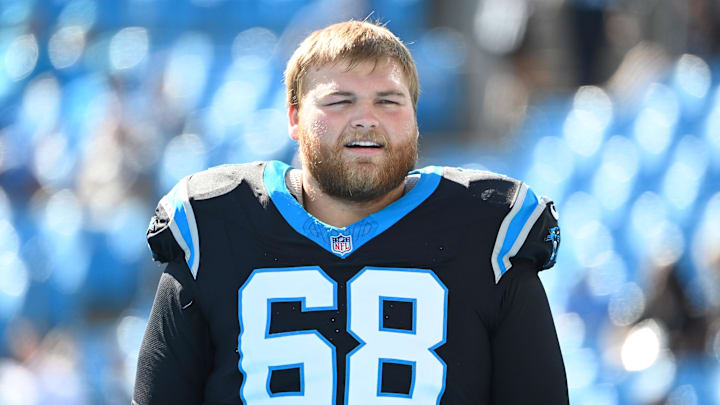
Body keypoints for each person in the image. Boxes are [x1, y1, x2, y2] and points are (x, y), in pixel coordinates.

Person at [133, 20, 568, 405]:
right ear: (294, 117)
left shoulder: (486, 230)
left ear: (415, 118)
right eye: (339, 101)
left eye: (388, 101)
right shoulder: (216, 223)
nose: (365, 119)